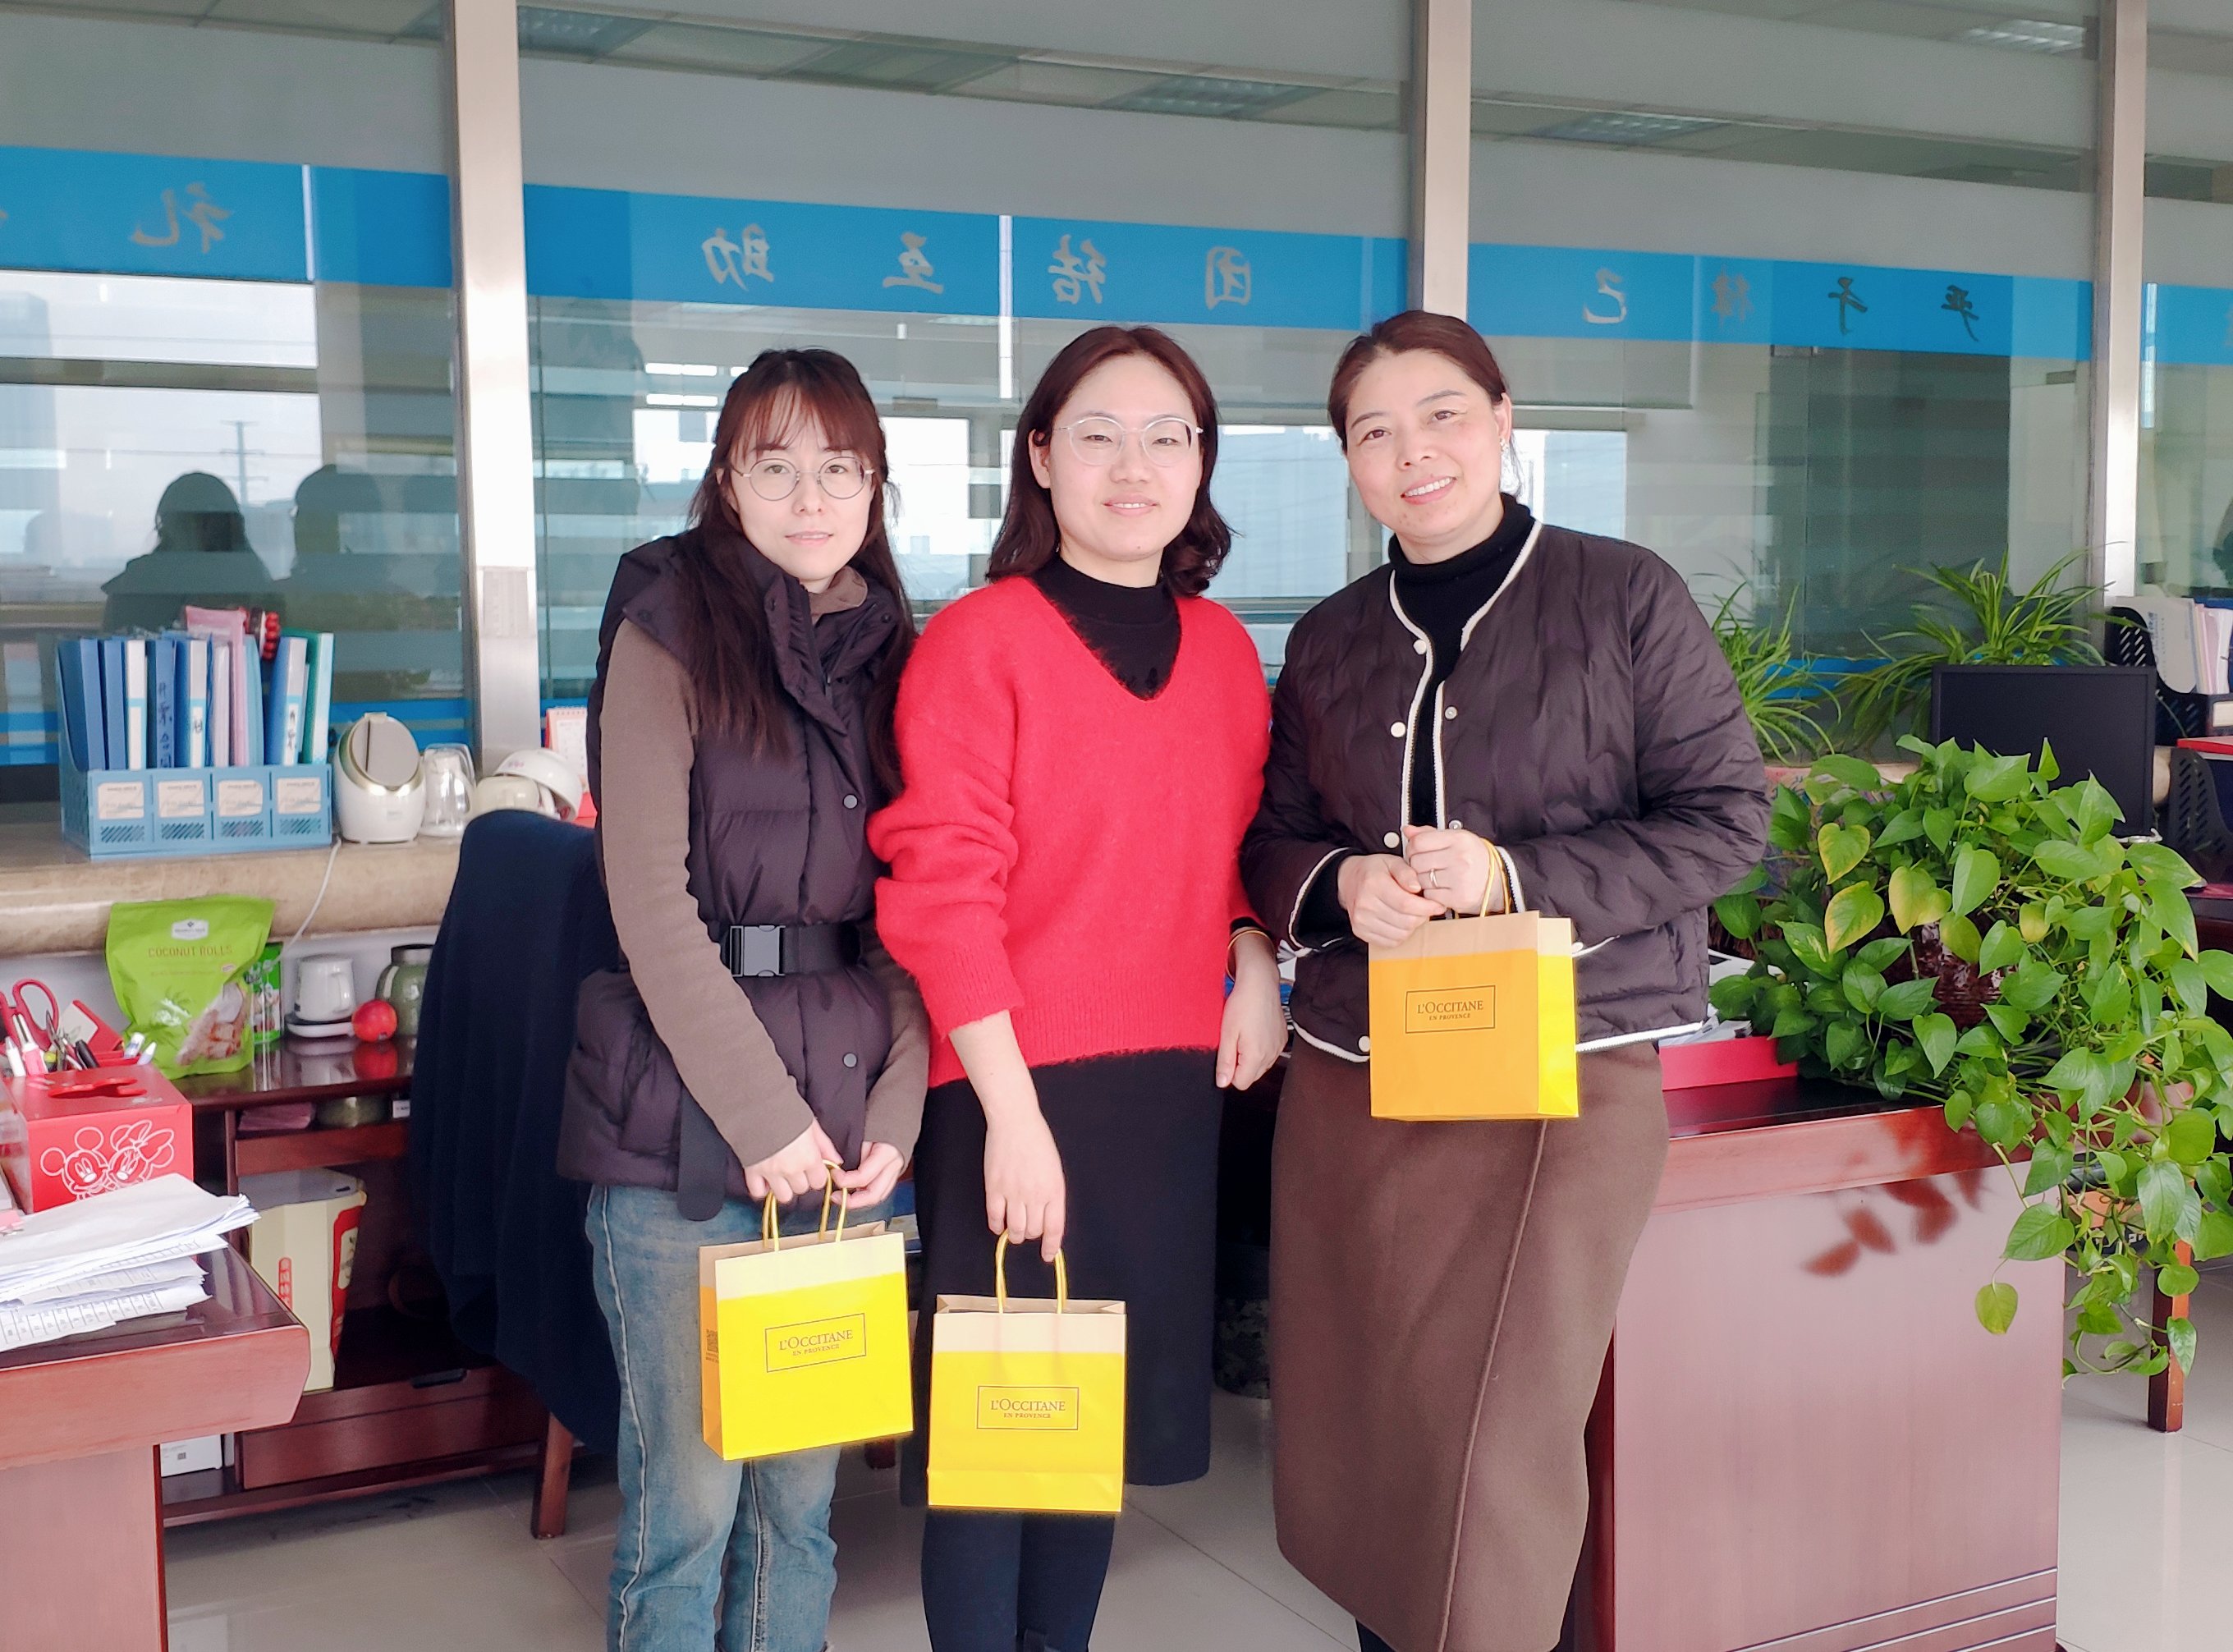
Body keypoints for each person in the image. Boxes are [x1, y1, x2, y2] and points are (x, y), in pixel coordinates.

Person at [1240, 310, 1769, 1652]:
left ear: (1502, 419)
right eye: (1374, 431)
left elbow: (1726, 822)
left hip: (1567, 1076)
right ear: (1349, 462)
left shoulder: (1622, 594)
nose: (1412, 451)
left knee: (1496, 1435)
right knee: (1375, 1414)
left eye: (1441, 415)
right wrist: (1342, 885)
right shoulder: (1331, 638)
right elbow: (1272, 836)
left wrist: (1511, 876)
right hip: (1360, 1076)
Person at [869, 324, 1286, 1652]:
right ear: (1041, 456)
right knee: (1000, 1441)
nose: (1134, 467)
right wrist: (1012, 1116)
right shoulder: (978, 640)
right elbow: (942, 889)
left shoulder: (1225, 650)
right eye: (1099, 435)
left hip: (1168, 1089)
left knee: (1087, 1430)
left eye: (1168, 438)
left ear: (1201, 464)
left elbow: (1237, 846)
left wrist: (1256, 958)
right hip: (1011, 1081)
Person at [556, 348, 929, 1652]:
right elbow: (651, 909)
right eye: (777, 467)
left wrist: (900, 1114)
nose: (811, 498)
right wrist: (765, 1122)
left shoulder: (893, 651)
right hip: (685, 1135)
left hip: (847, 1133)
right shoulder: (666, 628)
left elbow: (911, 915)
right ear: (727, 480)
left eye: (841, 468)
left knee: (802, 1512)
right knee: (691, 1511)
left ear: (876, 487)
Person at [101, 470, 278, 631]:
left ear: (166, 524)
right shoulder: (254, 583)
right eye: (201, 521)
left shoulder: (134, 583)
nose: (208, 529)